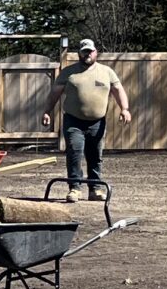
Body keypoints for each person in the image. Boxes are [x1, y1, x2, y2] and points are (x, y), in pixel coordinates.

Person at [40, 38, 129, 200]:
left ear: (96, 52)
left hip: (97, 122)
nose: (87, 54)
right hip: (74, 121)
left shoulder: (106, 72)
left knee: (95, 155)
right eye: (84, 51)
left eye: (90, 51)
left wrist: (124, 109)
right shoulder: (69, 72)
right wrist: (47, 111)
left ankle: (95, 189)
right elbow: (55, 93)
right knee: (74, 152)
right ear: (79, 53)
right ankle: (75, 188)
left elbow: (118, 90)